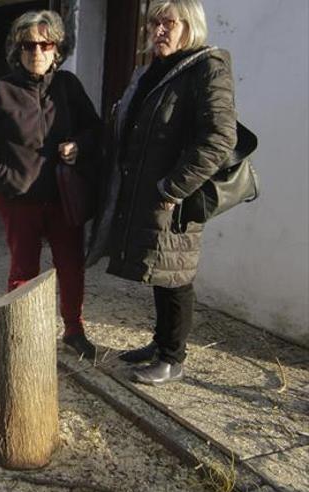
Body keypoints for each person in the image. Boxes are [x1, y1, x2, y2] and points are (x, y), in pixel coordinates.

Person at [87, 0, 237, 385]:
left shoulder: (207, 67)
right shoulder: (153, 71)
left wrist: (174, 187)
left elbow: (220, 137)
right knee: (160, 269)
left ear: (190, 24)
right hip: (148, 194)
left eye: (168, 22)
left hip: (175, 197)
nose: (158, 31)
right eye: (154, 23)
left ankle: (173, 357)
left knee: (176, 275)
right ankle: (160, 344)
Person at [0, 10, 101, 358]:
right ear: (17, 49)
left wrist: (79, 146)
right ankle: (21, 339)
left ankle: (73, 330)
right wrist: (8, 177)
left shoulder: (69, 87)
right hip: (19, 200)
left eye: (46, 43)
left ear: (57, 48)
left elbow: (95, 130)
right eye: (28, 45)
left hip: (63, 197)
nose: (37, 52)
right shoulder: (1, 91)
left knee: (70, 267)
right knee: (23, 272)